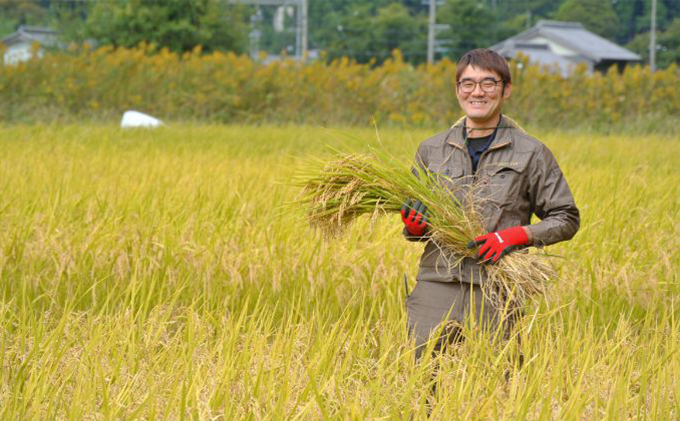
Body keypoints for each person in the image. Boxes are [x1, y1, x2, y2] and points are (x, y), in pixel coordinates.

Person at [401, 48, 580, 361]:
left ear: (505, 89)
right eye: (467, 84)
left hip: (496, 286)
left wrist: (514, 237)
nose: (477, 92)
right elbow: (417, 221)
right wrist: (414, 226)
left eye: (488, 83)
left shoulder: (531, 152)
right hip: (437, 281)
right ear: (457, 90)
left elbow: (565, 217)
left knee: (498, 379)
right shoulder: (431, 149)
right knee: (421, 377)